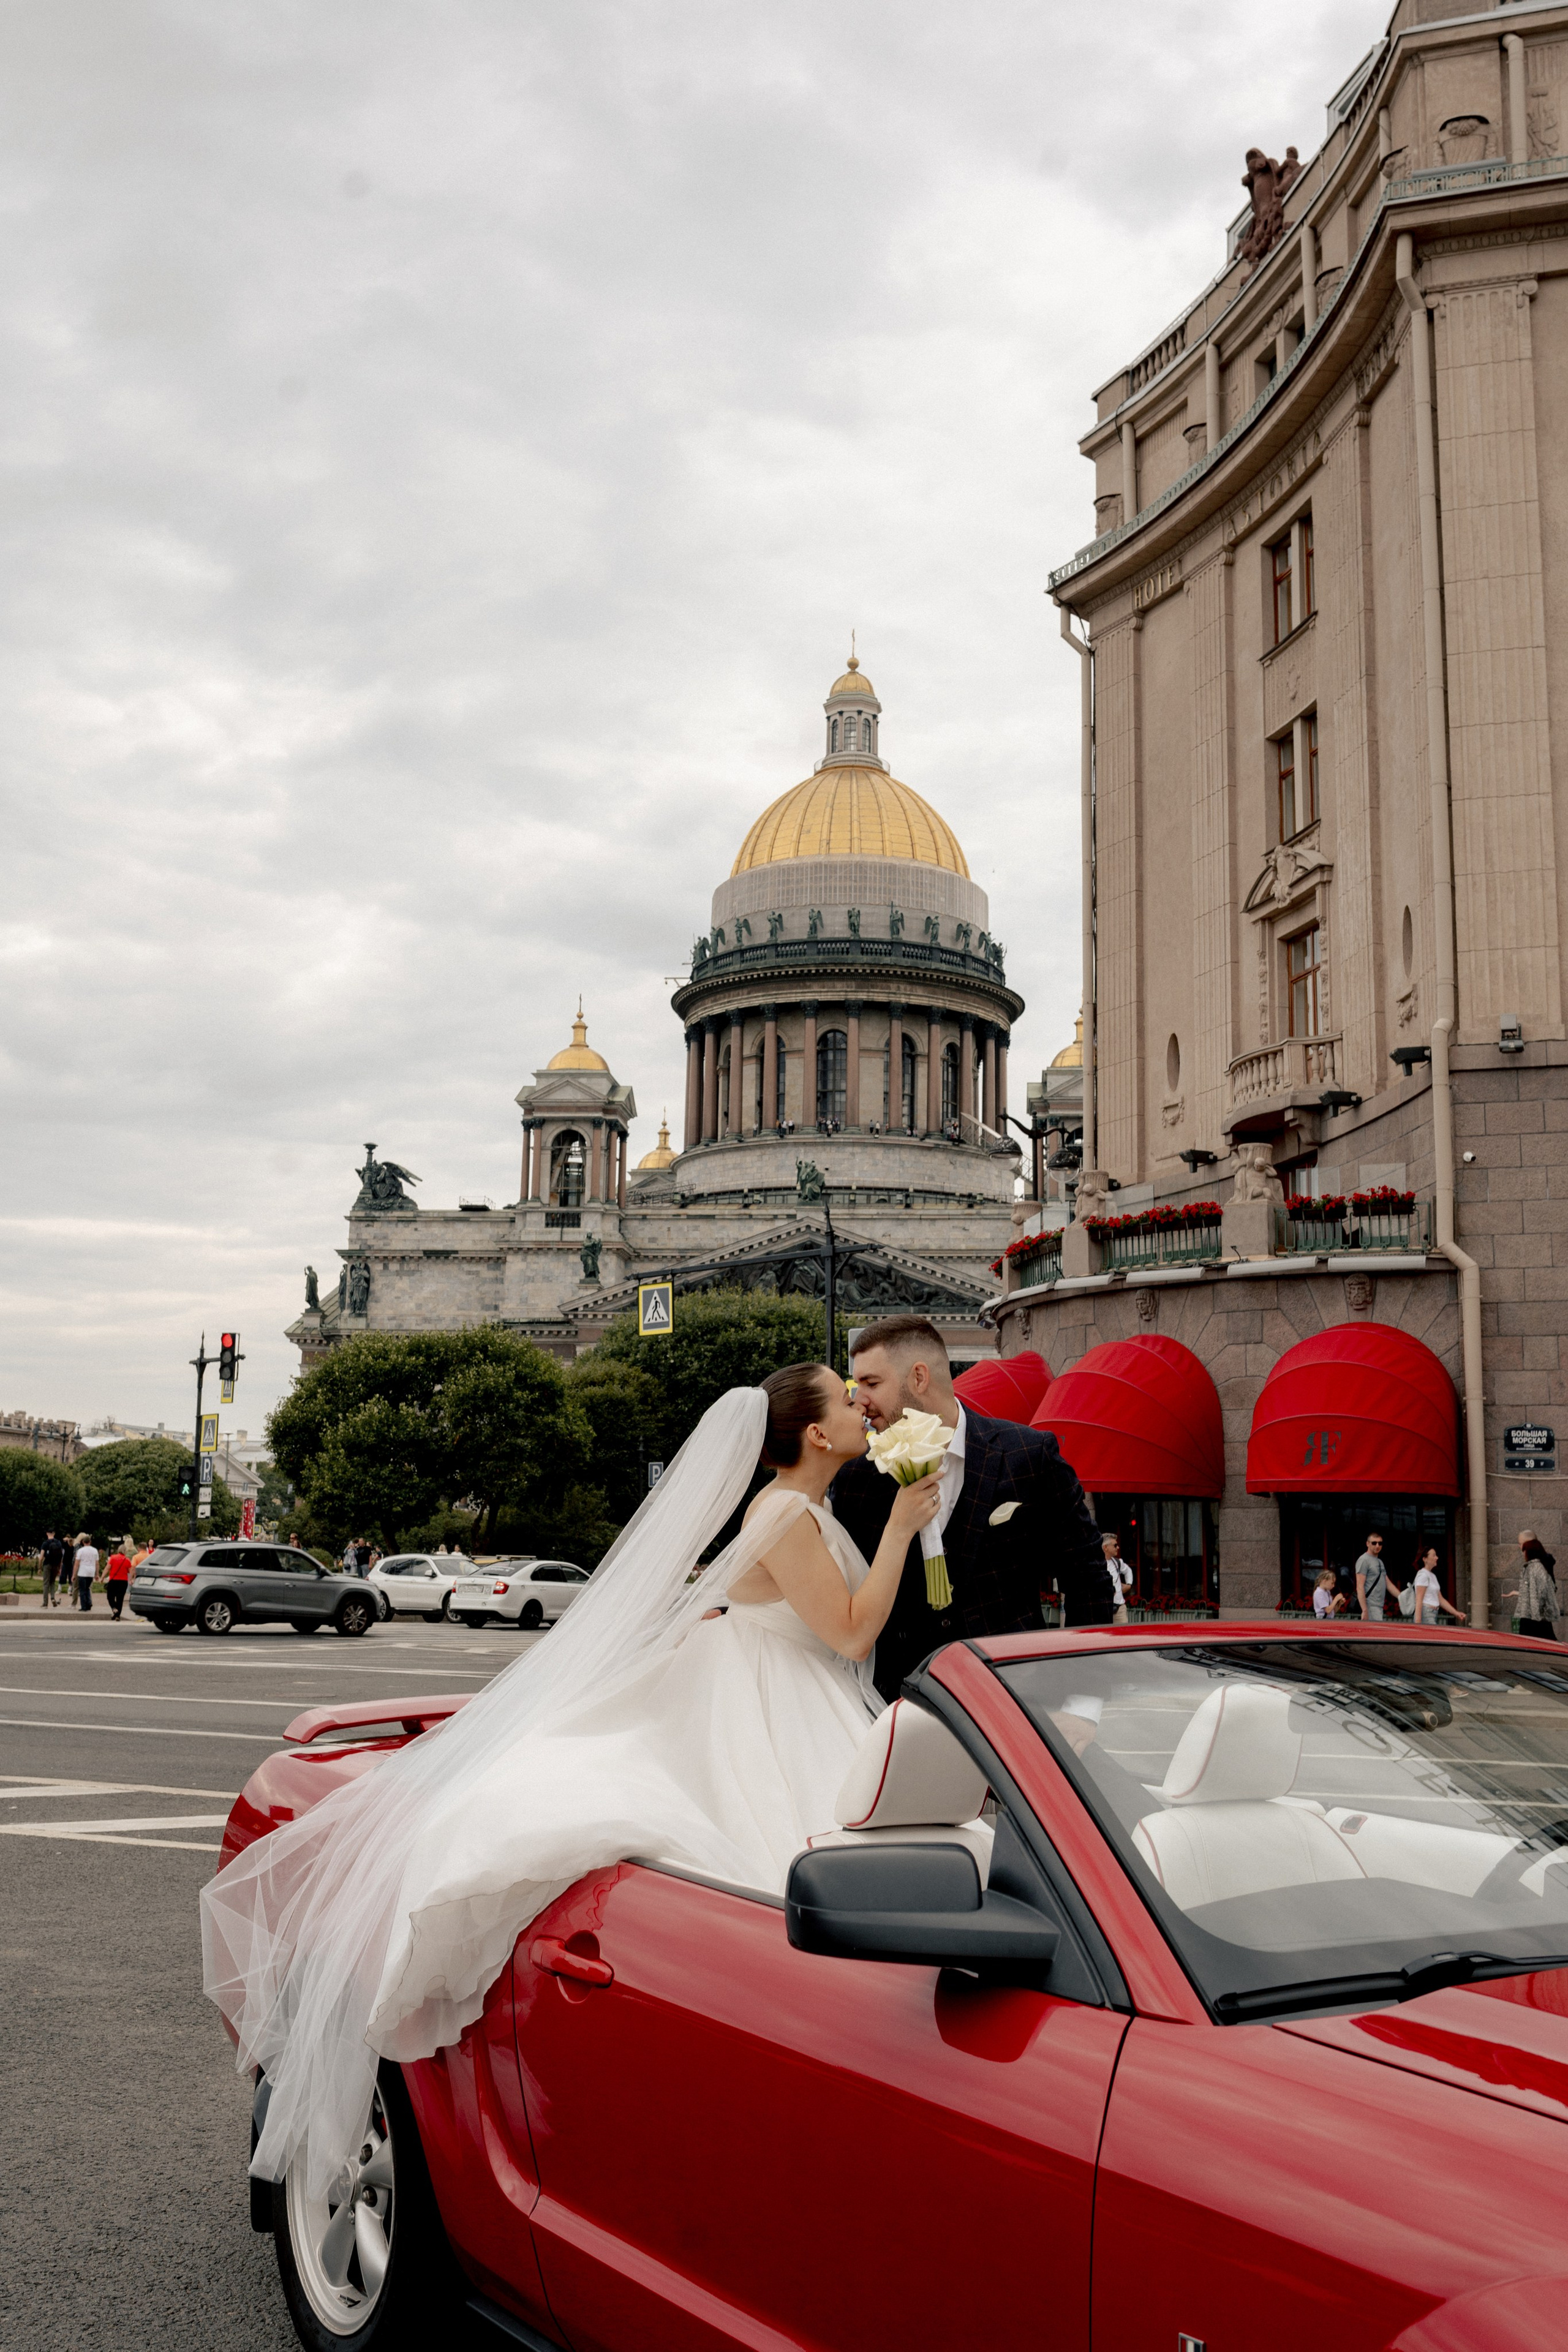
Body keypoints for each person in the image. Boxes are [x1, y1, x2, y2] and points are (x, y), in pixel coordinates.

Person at [202, 1365, 941, 2199]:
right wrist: (903, 1532)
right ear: (812, 1432)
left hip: (774, 1687)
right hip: (777, 1700)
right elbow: (848, 1635)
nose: (860, 1409)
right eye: (845, 1399)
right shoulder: (784, 1512)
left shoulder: (801, 1507)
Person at [829, 1314, 1106, 1697]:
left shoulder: (1029, 1454)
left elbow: (1087, 1580)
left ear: (919, 1377)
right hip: (892, 1710)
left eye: (871, 1383)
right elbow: (829, 1578)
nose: (861, 1400)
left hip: (1013, 1701)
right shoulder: (855, 1477)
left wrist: (1083, 1703)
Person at [1508, 1532, 1561, 1641]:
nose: (1520, 1548)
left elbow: (1541, 1593)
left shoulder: (1536, 1567)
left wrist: (1535, 1615)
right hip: (1535, 1617)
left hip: (1533, 1618)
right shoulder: (1542, 1564)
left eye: (1521, 1544)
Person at [1409, 1545, 1465, 1626]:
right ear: (1425, 1559)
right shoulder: (1423, 1575)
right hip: (1426, 1613)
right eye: (1434, 1555)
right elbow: (1419, 1599)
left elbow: (1440, 1599)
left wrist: (1456, 1613)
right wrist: (1418, 1622)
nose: (1437, 1558)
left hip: (1433, 1614)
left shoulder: (1432, 1576)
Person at [1354, 1531, 1400, 1622]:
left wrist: (1402, 1597)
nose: (1377, 1546)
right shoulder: (1364, 1560)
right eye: (1374, 1543)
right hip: (1370, 1605)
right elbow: (1360, 1586)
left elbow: (1388, 1583)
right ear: (1368, 1544)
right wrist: (1364, 1609)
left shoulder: (1380, 1562)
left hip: (1379, 1606)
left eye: (1380, 1543)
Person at [1102, 1534, 1133, 1624]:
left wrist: (1129, 1585)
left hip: (1120, 1609)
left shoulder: (1117, 1562)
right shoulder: (1097, 1564)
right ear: (1106, 1547)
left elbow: (1128, 1571)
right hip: (1104, 1609)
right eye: (1115, 1545)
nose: (1118, 1547)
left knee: (1124, 1635)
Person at [103, 1538, 133, 1621]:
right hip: (123, 1582)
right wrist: (131, 1580)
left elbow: (107, 1568)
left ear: (119, 1550)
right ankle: (117, 1616)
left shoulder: (113, 1558)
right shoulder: (127, 1560)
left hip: (114, 1581)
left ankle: (114, 1608)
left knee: (110, 1597)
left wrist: (102, 1577)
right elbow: (130, 1572)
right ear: (125, 1551)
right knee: (120, 1599)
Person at [39, 1529, 66, 1610]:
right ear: (54, 1533)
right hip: (56, 1565)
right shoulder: (59, 1543)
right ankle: (53, 1598)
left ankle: (45, 1603)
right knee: (53, 1582)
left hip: (47, 1564)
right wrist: (59, 1567)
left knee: (46, 1584)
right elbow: (61, 1556)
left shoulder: (45, 1543)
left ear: (47, 1533)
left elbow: (41, 1557)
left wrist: (39, 1568)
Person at [73, 1532, 99, 1612]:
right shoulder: (95, 1551)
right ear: (90, 1542)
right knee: (87, 1588)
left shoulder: (80, 1551)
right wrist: (97, 1574)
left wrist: (74, 1575)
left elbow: (77, 1564)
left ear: (83, 1542)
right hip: (91, 1572)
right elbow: (97, 1563)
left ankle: (84, 1606)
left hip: (83, 1572)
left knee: (82, 1589)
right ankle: (89, 1603)